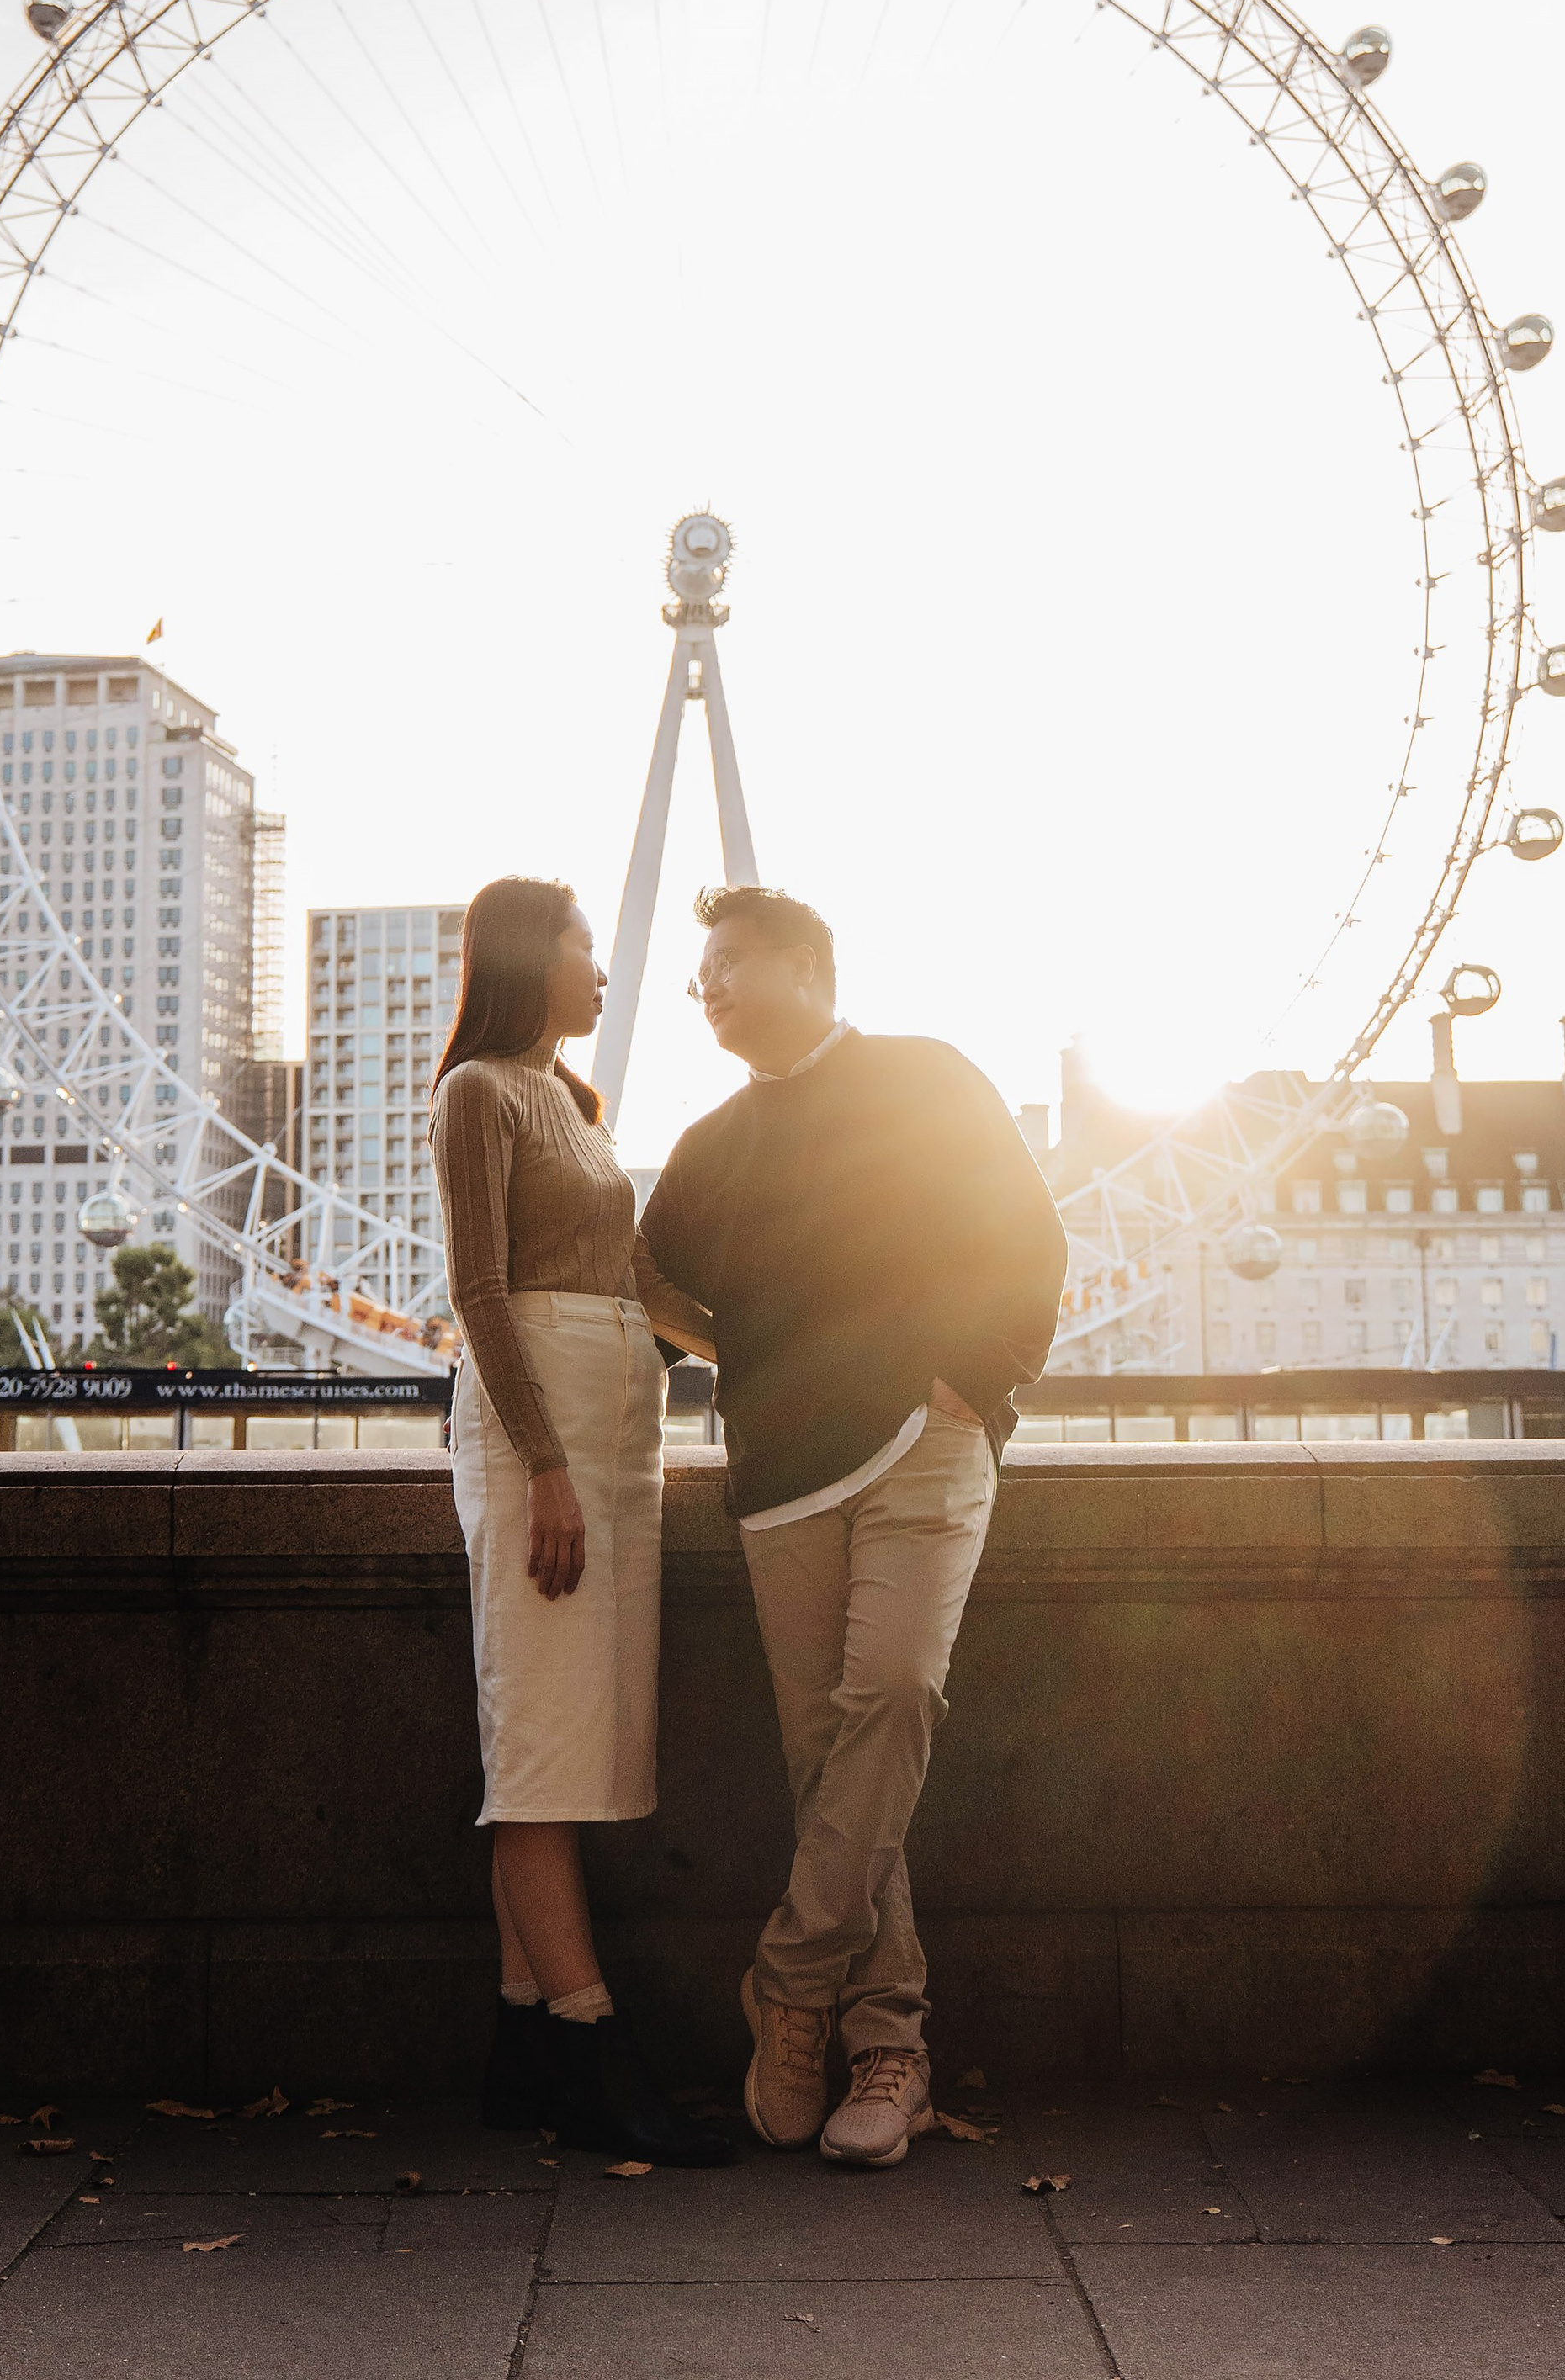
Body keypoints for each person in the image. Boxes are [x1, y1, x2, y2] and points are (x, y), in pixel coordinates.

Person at [637, 884, 1067, 2169]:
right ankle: (888, 2047)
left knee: (894, 1692)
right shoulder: (708, 1147)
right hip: (781, 1473)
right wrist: (753, 1358)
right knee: (829, 1763)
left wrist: (971, 1381)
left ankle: (789, 1980)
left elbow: (1029, 1236)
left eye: (728, 961)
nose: (706, 986)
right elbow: (646, 1280)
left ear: (808, 967)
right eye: (699, 973)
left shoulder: (929, 1080)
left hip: (924, 1442)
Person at [429, 874, 732, 2168]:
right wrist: (542, 1462)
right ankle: (593, 2042)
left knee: (566, 1736)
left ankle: (522, 2045)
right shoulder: (478, 1094)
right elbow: (480, 1288)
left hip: (617, 1435)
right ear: (526, 955)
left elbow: (641, 1279)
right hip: (544, 1438)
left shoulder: (575, 1104)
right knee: (542, 1746)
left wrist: (768, 1353)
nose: (602, 969)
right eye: (582, 944)